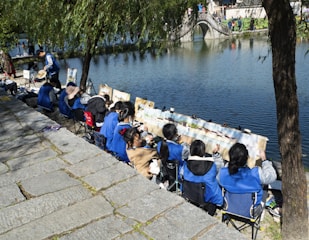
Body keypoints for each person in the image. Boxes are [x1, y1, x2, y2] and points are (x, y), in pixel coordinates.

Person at [218, 143, 277, 216]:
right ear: (246, 158)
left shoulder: (223, 173)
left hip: (228, 208)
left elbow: (218, 174)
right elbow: (272, 176)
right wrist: (264, 160)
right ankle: (262, 209)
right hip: (251, 212)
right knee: (264, 186)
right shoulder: (255, 173)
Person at [182, 140, 224, 216]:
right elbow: (220, 166)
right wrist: (216, 154)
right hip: (208, 198)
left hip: (191, 194)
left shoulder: (186, 165)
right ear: (203, 151)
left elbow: (181, 174)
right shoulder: (211, 166)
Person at [156, 123, 189, 190]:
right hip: (178, 173)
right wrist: (182, 143)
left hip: (166, 170)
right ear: (175, 134)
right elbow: (188, 154)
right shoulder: (181, 148)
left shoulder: (160, 144)